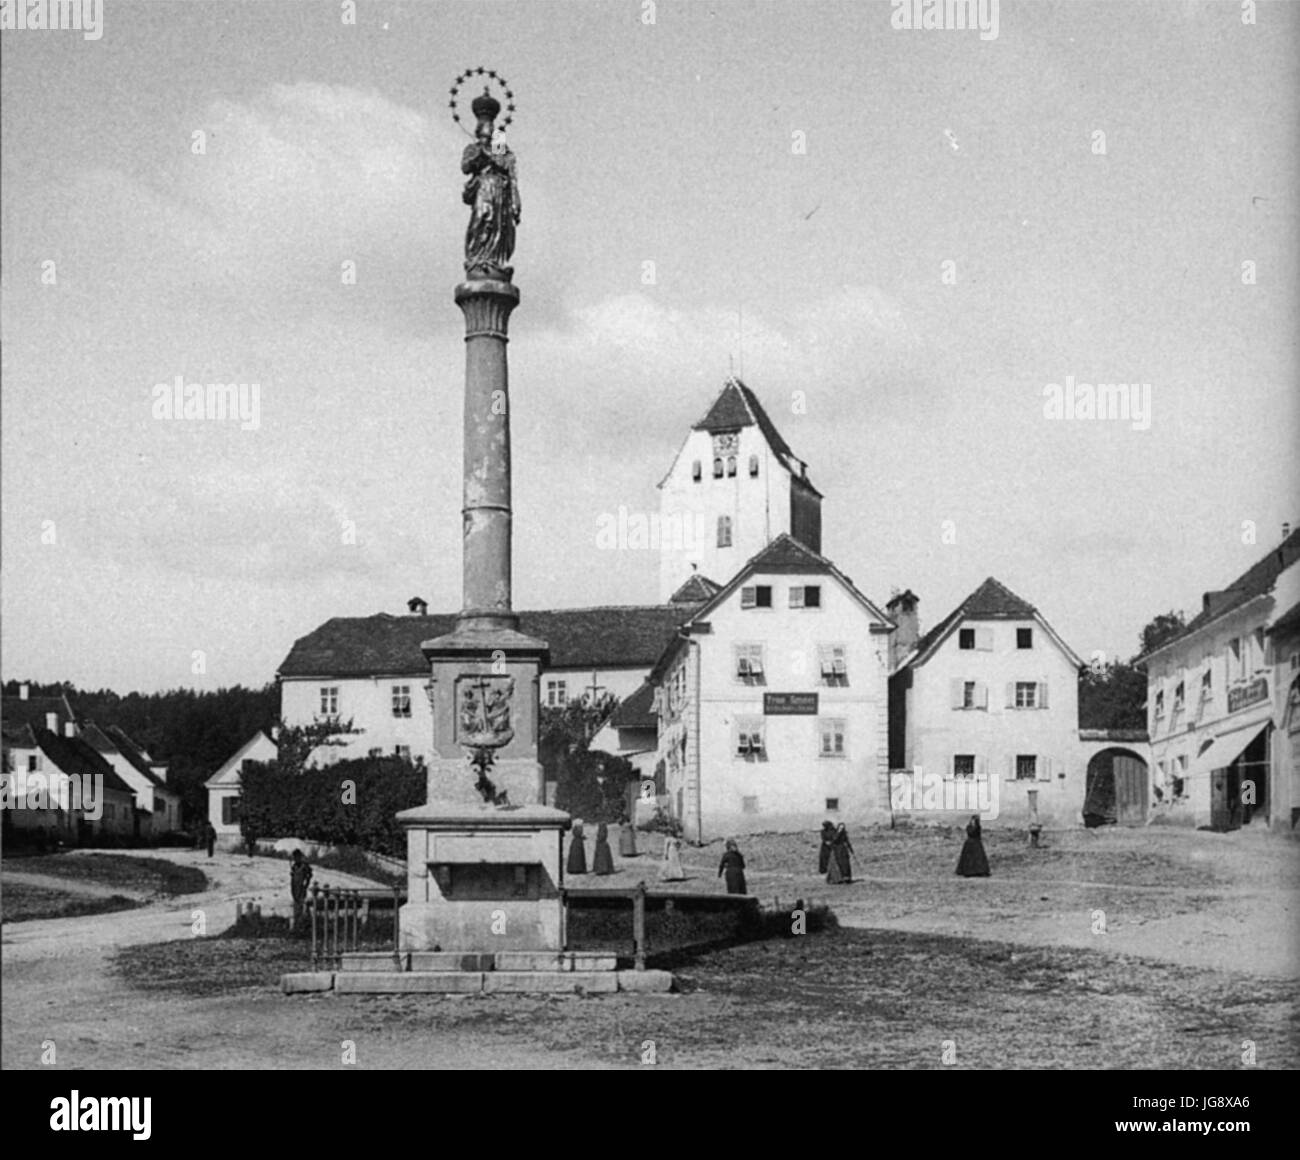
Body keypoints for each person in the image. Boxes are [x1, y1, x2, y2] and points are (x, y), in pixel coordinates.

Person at [289, 849, 313, 929]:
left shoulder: (304, 866)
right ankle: (297, 924)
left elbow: (309, 875)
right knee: (296, 905)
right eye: (295, 857)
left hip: (302, 888)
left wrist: (306, 884)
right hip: (295, 887)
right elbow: (292, 879)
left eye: (298, 857)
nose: (296, 859)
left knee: (302, 905)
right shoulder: (294, 866)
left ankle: (303, 924)